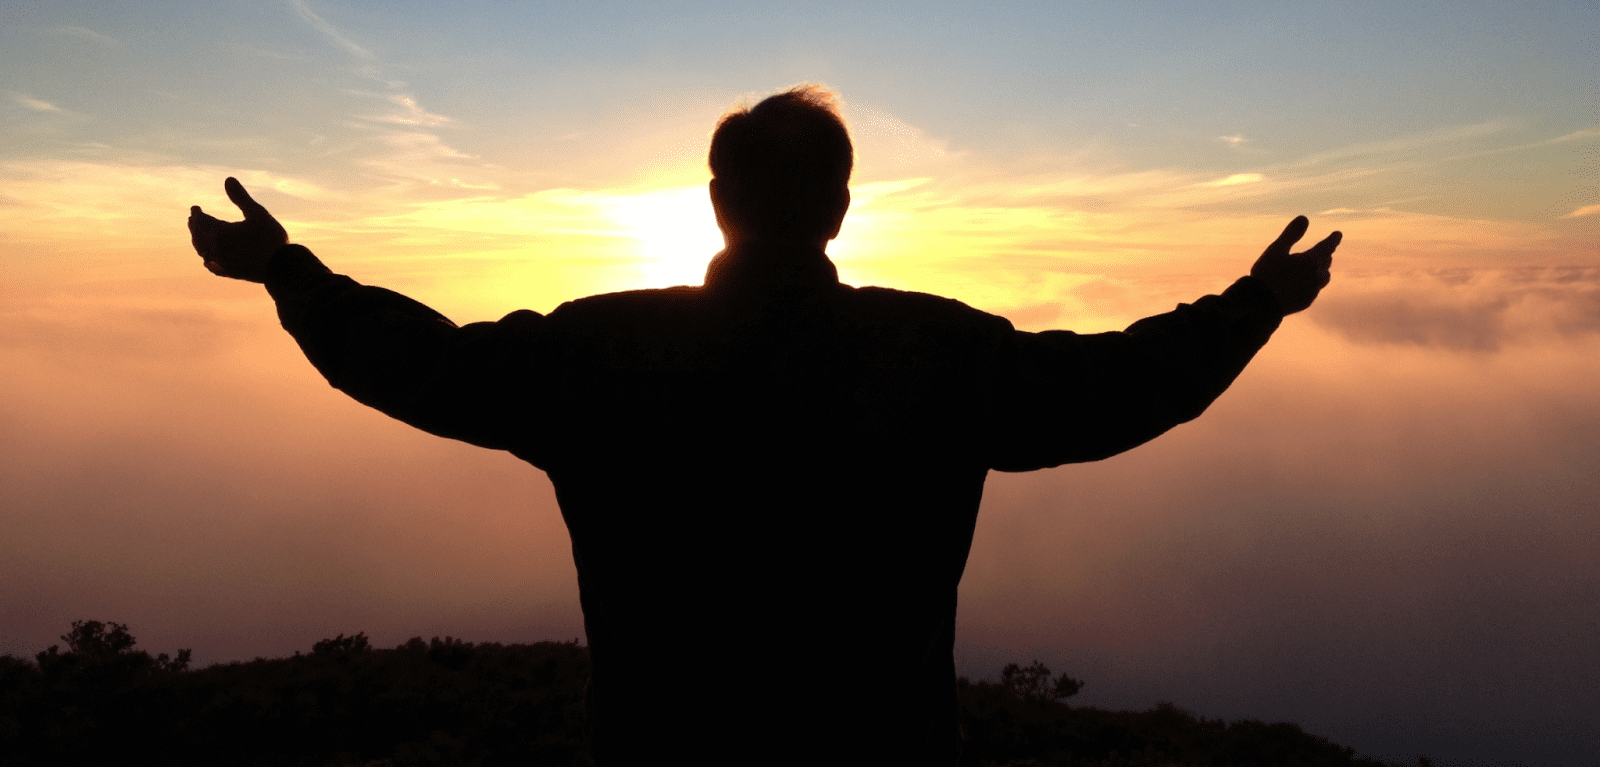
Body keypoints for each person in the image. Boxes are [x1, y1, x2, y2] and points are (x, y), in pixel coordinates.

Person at [188, 85, 1340, 765]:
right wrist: (1252, 306)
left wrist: (288, 272)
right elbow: (1121, 387)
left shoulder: (603, 353)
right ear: (840, 207)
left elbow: (423, 365)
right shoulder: (934, 355)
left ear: (716, 201)